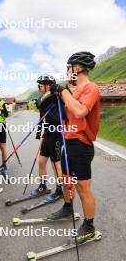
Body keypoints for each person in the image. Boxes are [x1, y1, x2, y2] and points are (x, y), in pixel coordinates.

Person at [50, 52, 101, 243]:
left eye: (68, 67)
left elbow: (80, 112)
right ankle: (67, 207)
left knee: (82, 187)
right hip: (68, 142)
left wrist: (63, 92)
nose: (66, 71)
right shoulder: (74, 91)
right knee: (65, 180)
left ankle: (89, 225)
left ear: (77, 68)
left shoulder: (91, 88)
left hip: (81, 145)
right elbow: (67, 115)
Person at [30, 74, 64, 203]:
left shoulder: (57, 98)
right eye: (38, 84)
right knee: (41, 162)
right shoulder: (43, 99)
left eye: (41, 85)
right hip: (47, 134)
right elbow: (41, 117)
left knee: (56, 165)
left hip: (56, 134)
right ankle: (43, 186)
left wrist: (49, 108)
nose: (39, 87)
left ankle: (60, 190)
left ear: (48, 86)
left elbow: (60, 118)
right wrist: (39, 132)